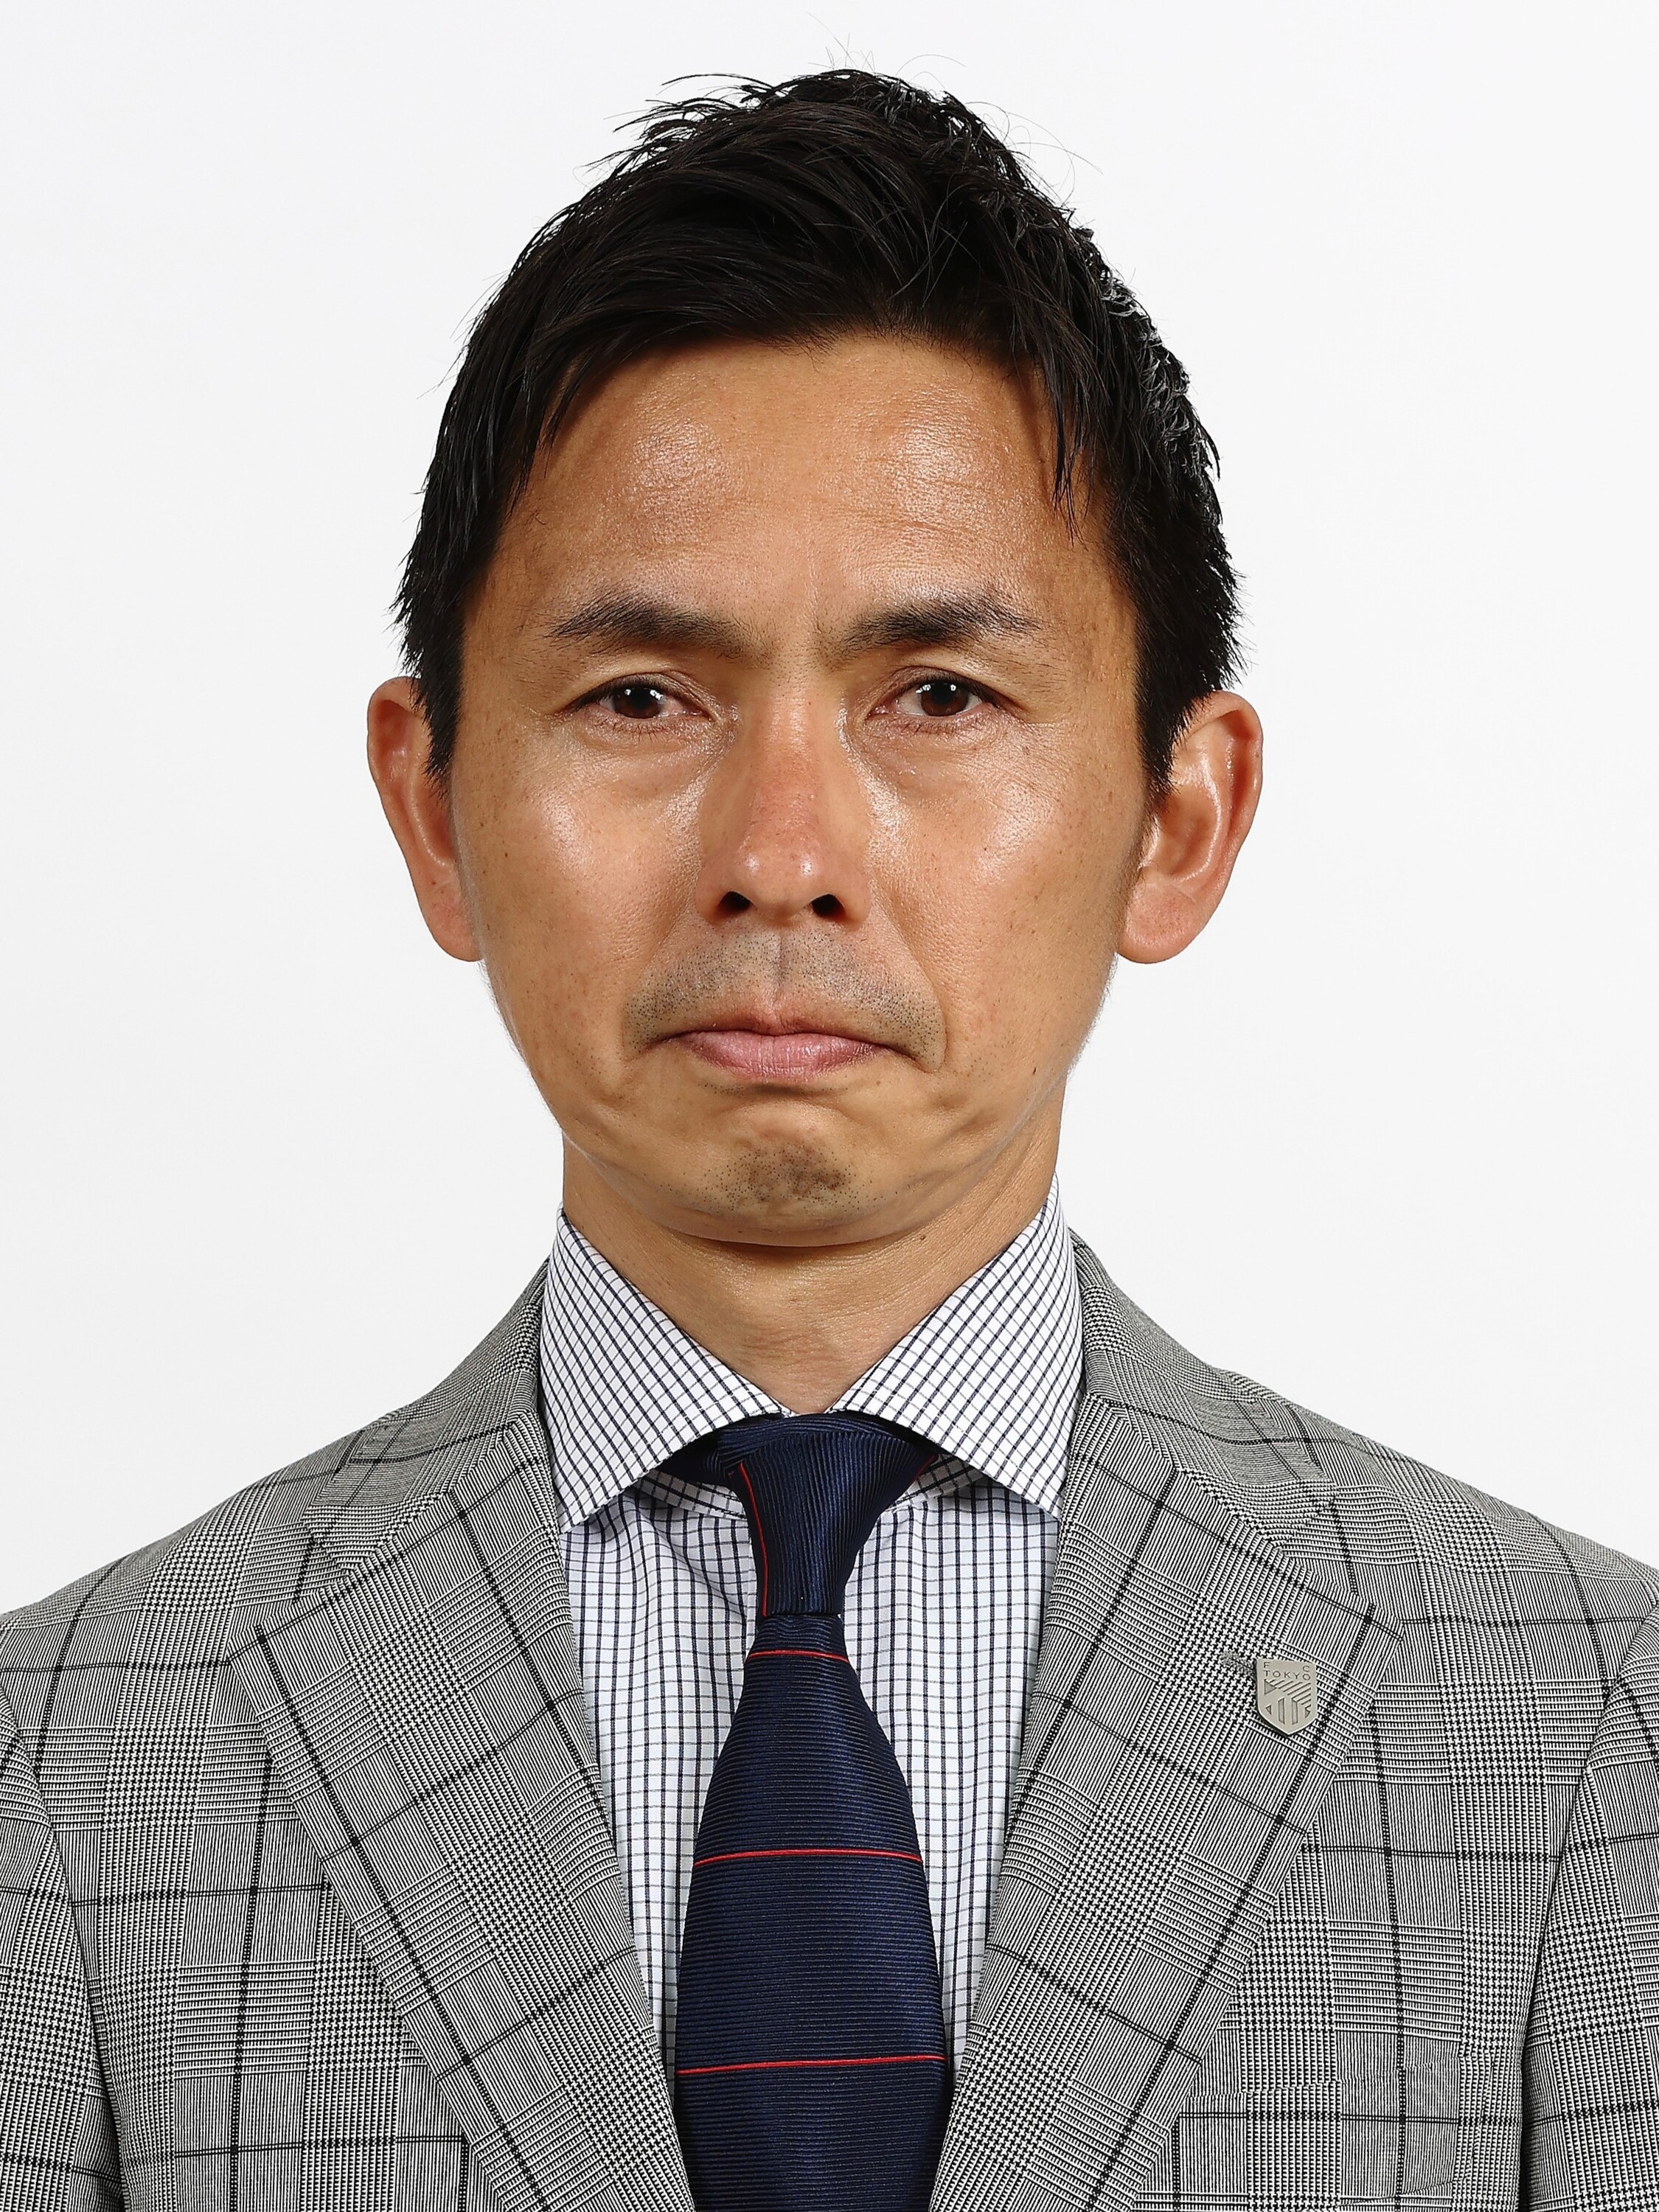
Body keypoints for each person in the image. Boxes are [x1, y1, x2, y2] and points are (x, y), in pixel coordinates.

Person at [1, 67, 1653, 2212]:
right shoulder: (63, 1768)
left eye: (938, 696)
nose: (780, 854)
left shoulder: (1591, 1738)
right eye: (640, 699)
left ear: (1179, 817)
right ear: (435, 810)